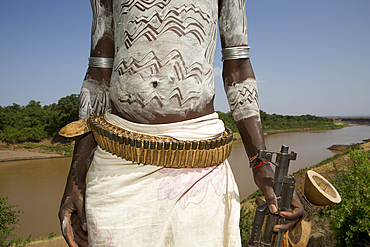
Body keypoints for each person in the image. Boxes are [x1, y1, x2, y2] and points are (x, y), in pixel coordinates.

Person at [59, 0, 304, 246]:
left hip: (201, 165)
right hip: (118, 164)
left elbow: (238, 67)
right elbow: (99, 74)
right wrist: (76, 177)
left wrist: (260, 162)